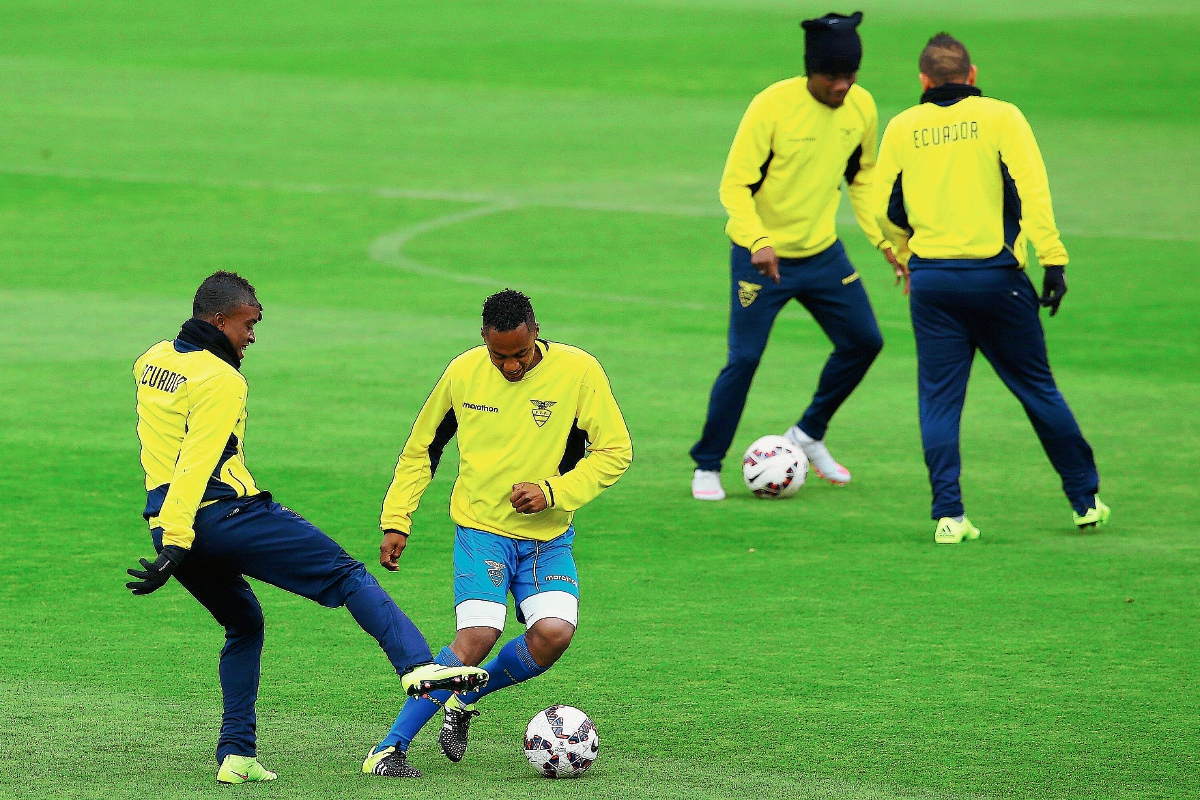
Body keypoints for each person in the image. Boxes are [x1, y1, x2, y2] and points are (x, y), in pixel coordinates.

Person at [126, 271, 487, 784]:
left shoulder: (152, 361)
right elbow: (196, 462)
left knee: (244, 623)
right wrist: (182, 541)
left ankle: (236, 754)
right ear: (220, 318)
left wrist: (169, 541)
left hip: (165, 522)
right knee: (346, 575)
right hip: (225, 516)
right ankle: (416, 664)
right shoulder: (223, 381)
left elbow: (163, 455)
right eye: (248, 324)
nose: (252, 336)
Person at [363, 289, 632, 778]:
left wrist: (553, 491)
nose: (510, 366)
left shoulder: (579, 372)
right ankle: (389, 749)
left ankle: (464, 696)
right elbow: (421, 449)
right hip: (481, 532)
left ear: (536, 332)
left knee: (552, 636)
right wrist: (397, 518)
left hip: (547, 540)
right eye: (499, 355)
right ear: (483, 339)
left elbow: (615, 450)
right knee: (478, 637)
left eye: (521, 355)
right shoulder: (463, 372)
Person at [873, 33, 1110, 543]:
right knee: (1037, 389)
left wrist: (909, 255)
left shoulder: (901, 127)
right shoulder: (1003, 117)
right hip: (997, 280)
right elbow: (1031, 191)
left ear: (923, 80)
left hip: (934, 284)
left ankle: (949, 516)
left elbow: (884, 210)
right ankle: (1084, 501)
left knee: (938, 401)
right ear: (972, 74)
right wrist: (1054, 260)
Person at [691, 11, 904, 501]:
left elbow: (863, 178)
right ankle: (706, 465)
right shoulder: (771, 107)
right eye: (833, 77)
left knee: (864, 342)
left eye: (851, 77)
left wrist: (889, 244)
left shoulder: (862, 108)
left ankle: (806, 435)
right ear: (812, 72)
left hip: (823, 255)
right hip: (760, 259)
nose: (843, 87)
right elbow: (735, 185)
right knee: (743, 360)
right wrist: (757, 240)